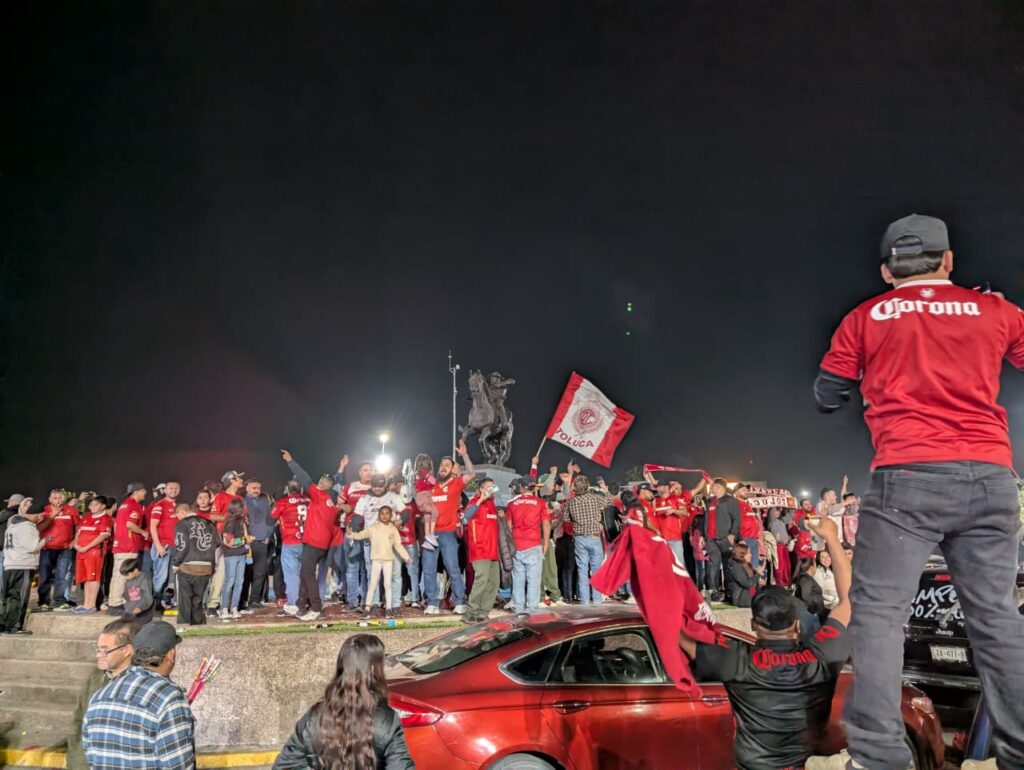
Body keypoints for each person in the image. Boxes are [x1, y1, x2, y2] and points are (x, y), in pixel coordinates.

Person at [812, 214, 1024, 770]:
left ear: (887, 271)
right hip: (990, 474)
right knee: (998, 619)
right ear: (948, 261)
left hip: (907, 475)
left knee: (880, 615)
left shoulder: (866, 316)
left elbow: (827, 393)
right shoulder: (993, 310)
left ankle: (881, 755)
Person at [678, 517, 853, 770]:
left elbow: (678, 634)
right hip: (808, 764)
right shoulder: (823, 653)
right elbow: (847, 600)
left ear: (752, 625)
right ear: (797, 625)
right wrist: (832, 539)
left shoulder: (736, 659)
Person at [274, 633, 414, 770]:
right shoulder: (387, 722)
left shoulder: (314, 717)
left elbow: (284, 765)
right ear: (374, 670)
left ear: (341, 666)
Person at [83, 621, 194, 770]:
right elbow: (178, 765)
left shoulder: (99, 697)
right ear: (171, 654)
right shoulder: (169, 698)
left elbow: (89, 754)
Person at [66, 619, 136, 770]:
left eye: (105, 650)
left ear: (126, 650)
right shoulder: (95, 678)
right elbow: (77, 722)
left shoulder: (142, 685)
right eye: (97, 649)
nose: (98, 655)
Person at [282, 450, 341, 622]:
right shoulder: (331, 502)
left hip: (315, 542)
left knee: (307, 574)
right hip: (320, 543)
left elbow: (304, 478)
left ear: (327, 485)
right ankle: (302, 605)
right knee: (304, 573)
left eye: (324, 481)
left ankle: (316, 608)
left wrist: (290, 461)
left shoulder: (320, 495)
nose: (320, 482)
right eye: (321, 480)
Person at [421, 440, 474, 616]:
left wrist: (465, 455)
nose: (443, 467)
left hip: (447, 533)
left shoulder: (456, 484)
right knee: (428, 570)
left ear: (452, 469)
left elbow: (471, 474)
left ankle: (459, 601)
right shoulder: (432, 486)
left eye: (447, 465)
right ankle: (432, 603)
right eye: (442, 465)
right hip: (430, 533)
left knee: (453, 568)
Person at [347, 506, 412, 620]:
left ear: (391, 515)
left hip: (388, 561)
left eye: (387, 513)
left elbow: (398, 545)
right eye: (382, 513)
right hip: (376, 560)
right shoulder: (373, 528)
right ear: (379, 515)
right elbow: (362, 534)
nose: (384, 516)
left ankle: (389, 609)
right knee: (372, 584)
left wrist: (406, 557)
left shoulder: (393, 529)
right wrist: (351, 534)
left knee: (387, 585)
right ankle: (367, 608)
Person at [354, 474, 405, 608]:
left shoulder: (392, 497)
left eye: (380, 486)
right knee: (373, 576)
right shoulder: (364, 499)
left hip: (390, 542)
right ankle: (374, 604)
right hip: (371, 543)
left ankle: (394, 604)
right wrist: (353, 529)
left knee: (395, 575)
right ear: (371, 485)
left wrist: (401, 520)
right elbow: (356, 518)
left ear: (385, 485)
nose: (377, 489)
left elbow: (405, 512)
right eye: (375, 486)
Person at [505, 477, 551, 617]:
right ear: (533, 487)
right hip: (533, 544)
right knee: (534, 579)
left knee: (518, 578)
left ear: (522, 487)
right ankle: (532, 608)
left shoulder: (512, 504)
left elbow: (508, 526)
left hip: (517, 544)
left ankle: (519, 607)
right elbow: (546, 523)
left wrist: (510, 543)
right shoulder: (541, 503)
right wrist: (546, 542)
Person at [563, 474, 611, 605]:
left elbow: (566, 519)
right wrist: (605, 490)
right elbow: (609, 502)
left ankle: (584, 601)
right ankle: (596, 600)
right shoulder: (595, 499)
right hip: (594, 536)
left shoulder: (570, 502)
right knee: (596, 570)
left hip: (579, 538)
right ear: (588, 486)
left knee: (582, 569)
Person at [171, 502, 220, 627]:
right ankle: (198, 624)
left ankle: (184, 624)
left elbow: (182, 545)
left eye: (177, 515)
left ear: (182, 512)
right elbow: (218, 542)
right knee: (198, 598)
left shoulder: (182, 524)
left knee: (184, 598)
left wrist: (176, 563)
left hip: (187, 566)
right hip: (206, 566)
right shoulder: (209, 523)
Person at [1, 497, 44, 634]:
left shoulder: (12, 525)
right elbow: (32, 547)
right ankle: (15, 626)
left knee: (8, 597)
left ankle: (4, 625)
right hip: (23, 565)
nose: (40, 518)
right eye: (38, 515)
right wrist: (45, 541)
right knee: (20, 597)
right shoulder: (27, 526)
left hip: (9, 565)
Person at [461, 478, 499, 622]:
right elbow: (466, 516)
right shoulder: (474, 501)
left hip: (493, 550)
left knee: (494, 582)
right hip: (480, 549)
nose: (492, 490)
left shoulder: (492, 504)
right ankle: (471, 610)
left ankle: (483, 612)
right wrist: (480, 500)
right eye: (489, 487)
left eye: (493, 487)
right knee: (481, 580)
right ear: (481, 489)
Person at [207, 470, 244, 615]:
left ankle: (231, 605)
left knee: (237, 576)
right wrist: (230, 519)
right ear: (232, 480)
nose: (241, 480)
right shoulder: (221, 496)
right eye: (238, 478)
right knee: (222, 572)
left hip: (239, 540)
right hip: (224, 541)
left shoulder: (240, 498)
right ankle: (213, 604)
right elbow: (212, 516)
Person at [36, 488, 80, 611]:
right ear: (50, 499)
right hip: (47, 547)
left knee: (62, 575)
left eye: (60, 497)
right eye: (55, 498)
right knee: (44, 576)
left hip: (65, 548)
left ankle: (60, 601)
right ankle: (43, 601)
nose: (58, 500)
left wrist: (75, 540)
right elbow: (39, 528)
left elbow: (78, 527)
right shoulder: (45, 510)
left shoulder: (71, 510)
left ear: (64, 499)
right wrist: (52, 516)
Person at [109, 482, 149, 616]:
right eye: (143, 491)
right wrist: (143, 532)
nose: (145, 493)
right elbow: (130, 524)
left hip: (120, 544)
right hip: (128, 545)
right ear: (136, 492)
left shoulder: (124, 504)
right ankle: (115, 603)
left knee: (117, 575)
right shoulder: (134, 505)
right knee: (123, 575)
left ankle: (114, 602)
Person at [272, 480, 309, 615]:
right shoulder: (308, 500)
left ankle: (294, 603)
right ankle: (308, 601)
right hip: (307, 542)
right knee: (307, 574)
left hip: (290, 542)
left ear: (288, 489)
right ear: (301, 489)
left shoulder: (283, 502)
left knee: (292, 576)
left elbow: (271, 517)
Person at [72, 495, 114, 613]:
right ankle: (86, 604)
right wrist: (76, 544)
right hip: (81, 552)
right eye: (91, 504)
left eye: (96, 504)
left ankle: (91, 605)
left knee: (94, 578)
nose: (92, 507)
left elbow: (103, 535)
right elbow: (78, 532)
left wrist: (87, 547)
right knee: (86, 579)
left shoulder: (106, 518)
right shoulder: (87, 517)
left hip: (94, 552)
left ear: (103, 506)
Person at [703, 478, 740, 600]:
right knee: (713, 565)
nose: (712, 489)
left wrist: (732, 535)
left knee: (728, 565)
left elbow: (737, 519)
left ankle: (729, 592)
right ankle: (713, 591)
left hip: (725, 538)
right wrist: (705, 537)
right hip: (711, 540)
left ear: (719, 487)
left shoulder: (730, 501)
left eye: (713, 486)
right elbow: (706, 520)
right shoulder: (710, 502)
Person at [243, 478, 275, 608]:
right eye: (253, 488)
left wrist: (269, 535)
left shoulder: (265, 500)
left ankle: (255, 600)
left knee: (260, 572)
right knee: (246, 573)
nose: (256, 490)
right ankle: (242, 600)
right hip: (247, 543)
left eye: (258, 488)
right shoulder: (242, 501)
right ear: (247, 488)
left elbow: (272, 518)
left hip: (263, 541)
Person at [147, 481, 180, 610]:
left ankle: (167, 601)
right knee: (161, 576)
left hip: (175, 546)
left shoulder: (179, 506)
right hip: (163, 546)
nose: (173, 490)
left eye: (176, 488)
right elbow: (153, 526)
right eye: (170, 488)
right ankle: (156, 603)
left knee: (172, 576)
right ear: (165, 490)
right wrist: (159, 546)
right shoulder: (159, 505)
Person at [219, 499, 250, 620]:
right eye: (244, 507)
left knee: (239, 582)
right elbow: (228, 542)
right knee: (230, 582)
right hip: (231, 555)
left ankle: (234, 607)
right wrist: (244, 541)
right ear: (239, 509)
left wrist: (247, 549)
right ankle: (224, 608)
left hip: (241, 554)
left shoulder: (243, 522)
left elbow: (246, 539)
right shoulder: (231, 522)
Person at [412, 453, 440, 550]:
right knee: (435, 512)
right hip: (425, 496)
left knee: (427, 517)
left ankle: (428, 539)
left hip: (422, 496)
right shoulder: (425, 473)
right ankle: (430, 534)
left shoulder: (417, 474)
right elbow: (434, 482)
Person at [725, 541, 763, 608]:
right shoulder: (735, 566)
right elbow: (747, 584)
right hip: (739, 597)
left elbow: (752, 581)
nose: (751, 555)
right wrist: (758, 574)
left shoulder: (745, 564)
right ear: (741, 554)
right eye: (748, 553)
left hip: (745, 593)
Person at [734, 484, 764, 571]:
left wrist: (758, 535)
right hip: (744, 540)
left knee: (754, 566)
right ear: (736, 492)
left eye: (746, 490)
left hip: (754, 539)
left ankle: (752, 584)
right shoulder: (734, 505)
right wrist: (740, 538)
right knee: (745, 567)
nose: (746, 491)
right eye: (743, 490)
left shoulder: (748, 505)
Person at [120, 557, 155, 625]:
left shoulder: (144, 579)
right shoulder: (128, 581)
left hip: (144, 610)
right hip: (131, 609)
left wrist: (140, 608)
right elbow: (126, 595)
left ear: (135, 571)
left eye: (127, 575)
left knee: (138, 627)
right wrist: (128, 606)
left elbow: (148, 597)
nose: (125, 577)